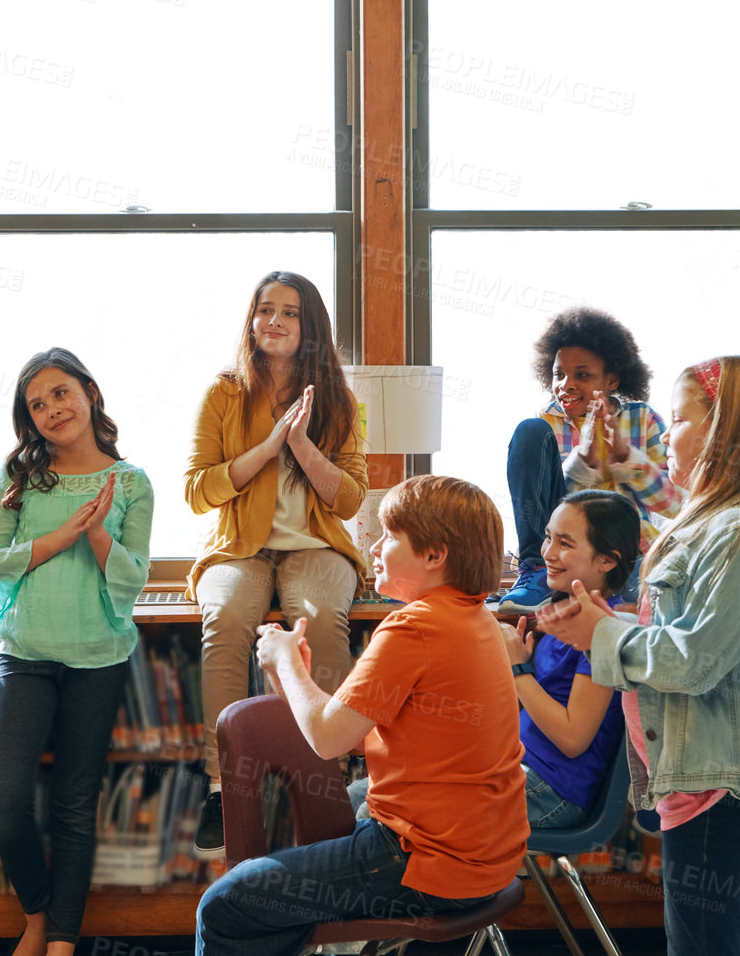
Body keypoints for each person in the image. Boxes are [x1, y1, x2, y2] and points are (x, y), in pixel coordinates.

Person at [539, 356, 740, 956]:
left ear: (724, 429)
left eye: (677, 420)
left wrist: (602, 636)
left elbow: (694, 660)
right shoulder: (721, 518)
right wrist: (603, 625)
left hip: (718, 786)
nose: (666, 436)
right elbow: (683, 631)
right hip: (705, 781)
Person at [195, 475, 529, 956]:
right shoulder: (476, 619)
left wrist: (285, 661)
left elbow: (328, 740)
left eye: (391, 536)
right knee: (286, 880)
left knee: (225, 902)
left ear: (435, 555)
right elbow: (350, 734)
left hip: (430, 864)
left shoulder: (413, 627)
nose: (374, 544)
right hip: (491, 861)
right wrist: (292, 677)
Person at [0, 348, 153, 956]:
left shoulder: (131, 483)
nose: (52, 409)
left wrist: (99, 531)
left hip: (98, 659)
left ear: (90, 393)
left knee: (76, 807)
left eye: (61, 393)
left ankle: (61, 942)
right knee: (4, 803)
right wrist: (61, 536)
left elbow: (132, 581)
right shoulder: (19, 476)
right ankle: (37, 912)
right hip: (24, 654)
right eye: (37, 404)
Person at [184, 271, 369, 857]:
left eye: (290, 312)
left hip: (316, 544)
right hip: (239, 544)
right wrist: (268, 448)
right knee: (226, 619)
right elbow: (197, 491)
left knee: (318, 617)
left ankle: (332, 778)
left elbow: (350, 499)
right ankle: (219, 786)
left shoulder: (343, 400)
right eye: (266, 309)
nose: (276, 321)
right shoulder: (223, 393)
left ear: (309, 326)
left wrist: (303, 446)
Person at [499, 307, 679, 614]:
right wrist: (582, 463)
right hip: (565, 553)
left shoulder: (643, 419)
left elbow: (673, 503)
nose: (566, 385)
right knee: (528, 431)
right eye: (559, 374)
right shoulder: (544, 426)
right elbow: (550, 505)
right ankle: (535, 572)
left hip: (627, 555)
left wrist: (625, 457)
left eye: (582, 375)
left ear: (612, 380)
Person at [497, 490, 630, 828]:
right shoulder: (563, 613)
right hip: (519, 765)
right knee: (377, 793)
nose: (548, 553)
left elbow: (573, 739)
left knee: (396, 807)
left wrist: (519, 671)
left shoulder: (602, 628)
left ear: (607, 561)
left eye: (565, 544)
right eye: (547, 537)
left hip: (552, 790)